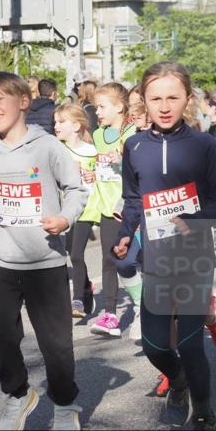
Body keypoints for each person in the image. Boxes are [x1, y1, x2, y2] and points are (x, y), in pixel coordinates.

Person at [114, 61, 216, 431]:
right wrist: (123, 234)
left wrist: (193, 219)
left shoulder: (204, 145)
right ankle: (177, 379)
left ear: (187, 99)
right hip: (157, 258)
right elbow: (133, 200)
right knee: (156, 346)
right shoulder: (134, 146)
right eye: (156, 98)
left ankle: (203, 416)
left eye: (173, 97)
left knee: (192, 342)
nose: (164, 106)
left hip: (195, 256)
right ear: (143, 101)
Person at [0, 72, 90, 431]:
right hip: (3, 261)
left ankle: (66, 405)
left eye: (0, 100)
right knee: (0, 338)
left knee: (56, 345)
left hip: (46, 263)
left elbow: (76, 189)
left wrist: (65, 218)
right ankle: (19, 394)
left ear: (23, 102)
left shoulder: (48, 146)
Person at [82, 83, 139, 337]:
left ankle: (143, 306)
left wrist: (125, 158)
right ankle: (110, 315)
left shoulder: (133, 133)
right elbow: (99, 165)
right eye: (95, 107)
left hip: (130, 207)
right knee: (109, 259)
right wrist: (91, 172)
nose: (98, 112)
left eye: (102, 107)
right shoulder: (97, 135)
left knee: (134, 261)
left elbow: (140, 168)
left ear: (119, 106)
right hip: (107, 207)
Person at [54, 103, 98, 319]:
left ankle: (78, 299)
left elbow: (102, 177)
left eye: (61, 122)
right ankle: (87, 286)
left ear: (77, 125)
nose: (56, 125)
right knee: (72, 253)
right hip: (64, 209)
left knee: (78, 254)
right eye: (55, 121)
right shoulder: (55, 150)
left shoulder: (91, 150)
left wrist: (94, 175)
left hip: (86, 207)